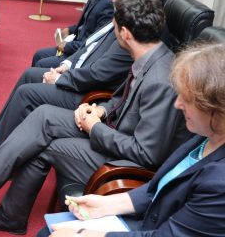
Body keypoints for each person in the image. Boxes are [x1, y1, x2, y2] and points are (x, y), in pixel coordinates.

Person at [0, 0, 189, 234]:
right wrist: (99, 108)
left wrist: (94, 128)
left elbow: (147, 153)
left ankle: (8, 212)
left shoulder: (160, 80)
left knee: (45, 145)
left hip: (127, 160)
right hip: (112, 127)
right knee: (44, 115)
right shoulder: (149, 56)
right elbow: (121, 96)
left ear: (125, 33)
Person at [46, 42, 225, 237]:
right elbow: (157, 190)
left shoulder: (220, 182)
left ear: (217, 109)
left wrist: (91, 235)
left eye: (187, 100)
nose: (177, 103)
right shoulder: (204, 136)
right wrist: (106, 204)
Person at [0, 0, 154, 152]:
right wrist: (67, 64)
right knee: (29, 75)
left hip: (88, 92)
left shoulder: (135, 29)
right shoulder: (123, 15)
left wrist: (61, 78)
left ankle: (2, 145)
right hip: (81, 74)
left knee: (26, 92)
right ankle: (7, 134)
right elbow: (91, 45)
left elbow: (101, 73)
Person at [32, 0, 113, 68]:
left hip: (80, 55)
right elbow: (87, 24)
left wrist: (67, 46)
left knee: (41, 64)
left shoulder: (106, 5)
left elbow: (94, 43)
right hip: (76, 45)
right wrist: (70, 30)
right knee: (39, 55)